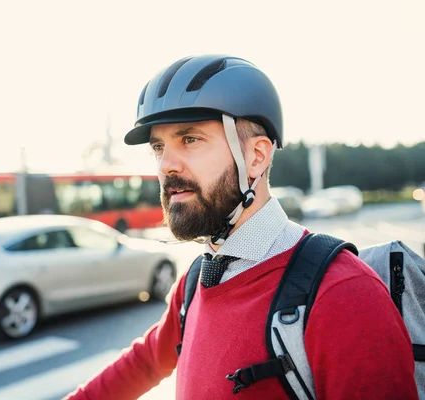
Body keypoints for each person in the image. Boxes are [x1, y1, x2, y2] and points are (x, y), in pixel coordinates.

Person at [65, 55, 418, 399]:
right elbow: (141, 364)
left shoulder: (343, 294)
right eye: (159, 146)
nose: (166, 165)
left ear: (256, 157)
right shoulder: (196, 281)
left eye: (190, 139)